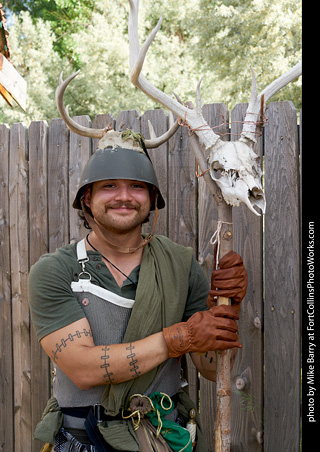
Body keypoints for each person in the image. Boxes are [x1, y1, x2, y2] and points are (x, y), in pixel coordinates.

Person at [28, 131, 247, 452]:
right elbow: (83, 369)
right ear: (87, 197)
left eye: (137, 186)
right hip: (84, 439)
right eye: (109, 186)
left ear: (152, 198)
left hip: (164, 437)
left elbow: (213, 370)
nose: (124, 196)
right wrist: (179, 338)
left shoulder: (180, 265)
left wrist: (226, 312)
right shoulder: (57, 271)